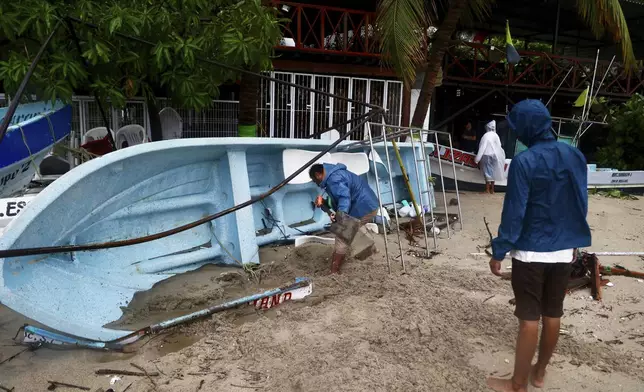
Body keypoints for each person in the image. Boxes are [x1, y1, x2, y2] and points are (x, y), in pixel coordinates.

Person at [487, 100, 591, 392]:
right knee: (553, 313)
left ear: (528, 129)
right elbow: (581, 203)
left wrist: (499, 250)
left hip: (531, 251)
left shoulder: (524, 161)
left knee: (529, 316)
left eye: (518, 128)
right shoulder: (575, 156)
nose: (517, 134)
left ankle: (518, 384)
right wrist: (571, 239)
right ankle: (540, 372)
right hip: (563, 250)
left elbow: (514, 213)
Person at [309, 163, 379, 274]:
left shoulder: (334, 179)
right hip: (368, 204)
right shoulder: (335, 175)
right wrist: (324, 203)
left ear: (318, 175)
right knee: (354, 228)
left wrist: (341, 218)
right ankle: (371, 252)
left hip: (364, 206)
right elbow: (339, 200)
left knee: (342, 236)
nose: (316, 184)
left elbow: (344, 198)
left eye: (314, 180)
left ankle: (334, 271)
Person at [474, 120, 506, 194]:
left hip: (486, 155)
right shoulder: (496, 135)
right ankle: (492, 190)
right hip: (495, 156)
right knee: (493, 172)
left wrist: (477, 159)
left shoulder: (486, 136)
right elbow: (499, 145)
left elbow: (482, 147)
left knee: (487, 172)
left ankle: (487, 190)